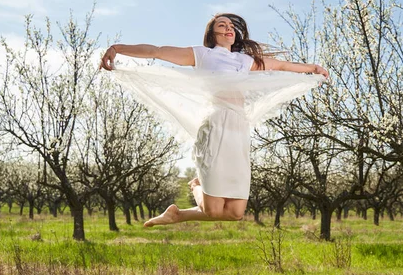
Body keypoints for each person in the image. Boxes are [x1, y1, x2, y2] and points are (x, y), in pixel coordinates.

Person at [100, 13, 328, 227]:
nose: (229, 28)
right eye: (222, 25)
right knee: (213, 210)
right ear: (212, 34)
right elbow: (157, 51)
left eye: (231, 26)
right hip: (216, 125)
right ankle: (196, 187)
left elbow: (282, 66)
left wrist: (312, 69)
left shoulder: (245, 60)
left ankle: (176, 214)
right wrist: (117, 48)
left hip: (239, 129)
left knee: (235, 213)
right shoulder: (202, 55)